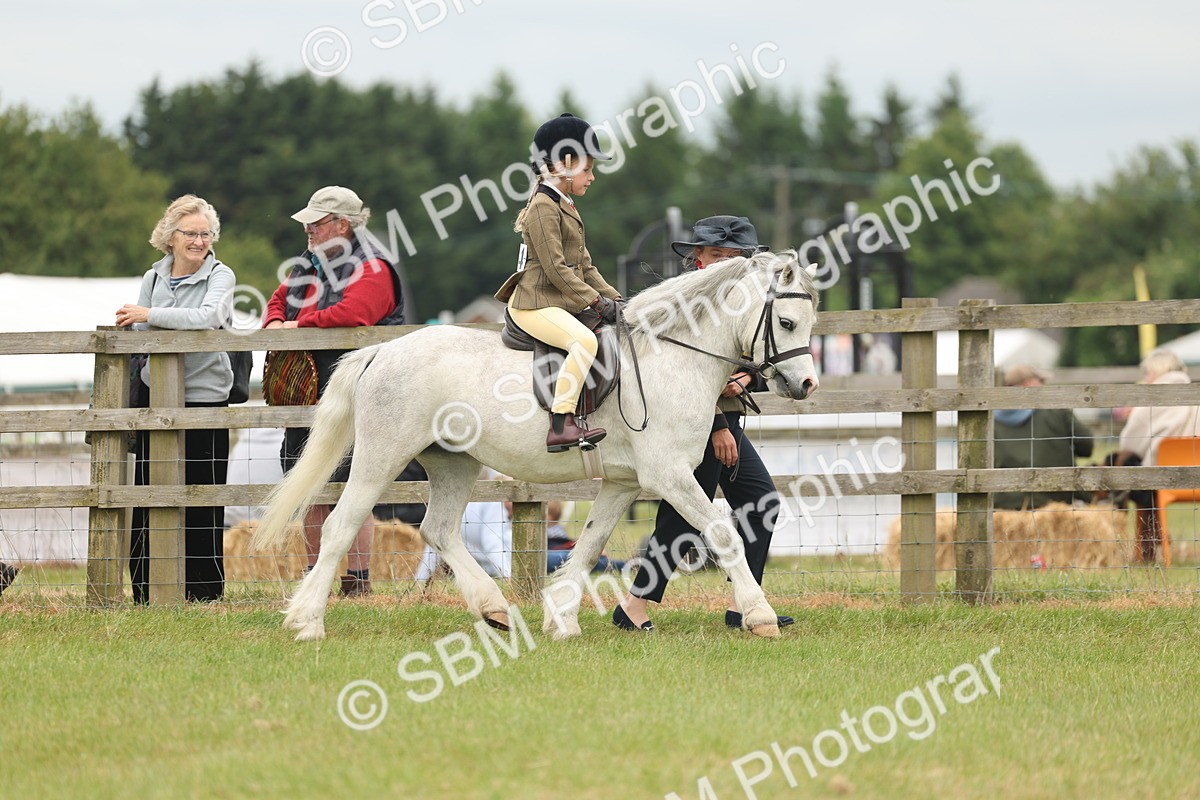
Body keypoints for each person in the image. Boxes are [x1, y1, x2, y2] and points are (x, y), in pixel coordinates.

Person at [613, 215, 791, 632]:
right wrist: (717, 427)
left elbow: (760, 352)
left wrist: (749, 376)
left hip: (724, 422)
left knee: (760, 502)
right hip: (690, 428)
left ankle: (742, 604)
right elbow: (671, 380)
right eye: (716, 255)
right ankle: (636, 607)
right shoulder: (682, 303)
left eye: (733, 257)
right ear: (697, 257)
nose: (723, 263)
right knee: (684, 517)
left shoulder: (745, 301)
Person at [263, 186, 406, 597]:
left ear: (342, 224)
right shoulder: (310, 260)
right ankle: (315, 578)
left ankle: (357, 581)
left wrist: (296, 325)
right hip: (308, 392)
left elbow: (354, 314)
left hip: (360, 393)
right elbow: (278, 299)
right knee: (310, 487)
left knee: (355, 490)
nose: (308, 228)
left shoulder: (374, 265)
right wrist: (277, 321)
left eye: (317, 222)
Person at [116, 194, 235, 603]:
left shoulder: (222, 276)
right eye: (191, 233)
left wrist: (149, 315)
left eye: (205, 234)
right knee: (149, 490)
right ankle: (146, 590)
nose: (200, 241)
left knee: (203, 495)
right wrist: (143, 320)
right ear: (170, 237)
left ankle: (204, 593)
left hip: (205, 397)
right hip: (156, 395)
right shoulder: (154, 276)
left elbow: (207, 318)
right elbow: (136, 331)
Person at [495, 113, 623, 453]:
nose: (592, 177)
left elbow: (585, 266)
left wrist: (618, 300)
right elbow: (555, 269)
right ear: (564, 164)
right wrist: (595, 303)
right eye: (587, 169)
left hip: (556, 300)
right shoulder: (542, 206)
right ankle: (561, 422)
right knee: (584, 342)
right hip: (534, 303)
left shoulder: (563, 204)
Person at [1113, 348, 1200, 560]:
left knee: (1128, 467)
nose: (1146, 379)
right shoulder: (1195, 395)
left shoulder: (1152, 399)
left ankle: (1146, 547)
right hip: (1197, 477)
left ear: (1157, 371)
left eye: (1147, 374)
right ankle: (1157, 539)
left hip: (1162, 480)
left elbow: (1129, 442)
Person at [993, 364, 1094, 510]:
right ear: (1029, 384)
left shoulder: (990, 419)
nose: (1044, 385)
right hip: (1054, 502)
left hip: (1004, 502)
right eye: (1041, 381)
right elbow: (1087, 447)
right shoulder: (1057, 411)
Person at [543, 500, 624, 574]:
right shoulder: (555, 530)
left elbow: (563, 543)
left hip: (562, 553)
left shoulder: (552, 530)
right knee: (585, 560)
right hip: (561, 553)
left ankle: (626, 564)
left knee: (581, 560)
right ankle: (625, 564)